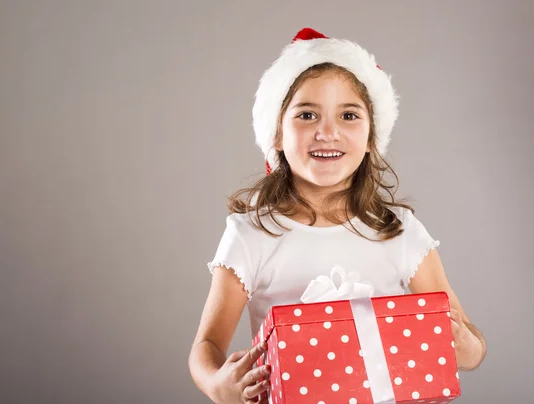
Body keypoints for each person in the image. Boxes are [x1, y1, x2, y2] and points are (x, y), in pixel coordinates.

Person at [188, 27, 486, 404]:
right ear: (277, 133)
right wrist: (218, 384)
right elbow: (207, 345)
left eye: (348, 115)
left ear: (371, 138)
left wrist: (463, 344)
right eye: (307, 115)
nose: (327, 132)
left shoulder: (399, 232)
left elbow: (471, 348)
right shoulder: (252, 234)